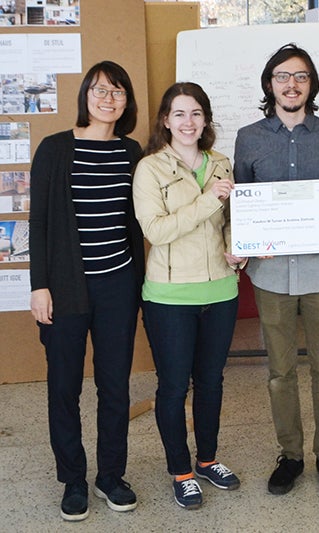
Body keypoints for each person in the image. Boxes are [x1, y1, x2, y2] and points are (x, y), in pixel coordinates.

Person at [233, 44, 319, 495]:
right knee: (280, 371)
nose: (292, 84)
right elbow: (243, 198)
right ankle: (291, 454)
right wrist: (242, 239)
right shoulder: (249, 137)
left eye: (301, 76)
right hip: (270, 274)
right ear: (270, 84)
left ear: (311, 84)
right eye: (283, 76)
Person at [29, 61, 143, 521]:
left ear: (126, 101)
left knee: (115, 386)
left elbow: (143, 217)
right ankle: (72, 479)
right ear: (85, 96)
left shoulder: (132, 152)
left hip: (119, 283)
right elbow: (37, 223)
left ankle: (110, 476)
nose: (108, 98)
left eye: (117, 91)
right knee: (64, 387)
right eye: (99, 90)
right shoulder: (56, 148)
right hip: (66, 288)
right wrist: (39, 286)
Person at [133, 82, 244, 510]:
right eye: (179, 114)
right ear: (165, 120)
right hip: (169, 295)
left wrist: (237, 248)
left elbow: (233, 218)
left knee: (212, 382)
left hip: (221, 289)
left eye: (196, 113)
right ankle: (180, 471)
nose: (188, 122)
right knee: (174, 386)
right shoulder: (150, 169)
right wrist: (205, 201)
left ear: (206, 120)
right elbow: (155, 231)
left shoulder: (221, 162)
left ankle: (208, 460)